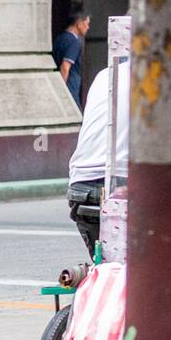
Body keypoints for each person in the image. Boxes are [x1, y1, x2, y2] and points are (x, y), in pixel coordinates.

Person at [66, 56, 129, 256]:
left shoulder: (105, 75)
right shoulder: (159, 79)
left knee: (109, 270)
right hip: (121, 186)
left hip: (80, 188)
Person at [53, 8, 90, 108]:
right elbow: (65, 67)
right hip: (70, 88)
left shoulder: (59, 38)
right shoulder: (74, 42)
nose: (88, 27)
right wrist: (62, 91)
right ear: (79, 23)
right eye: (87, 23)